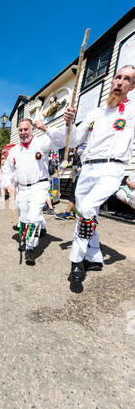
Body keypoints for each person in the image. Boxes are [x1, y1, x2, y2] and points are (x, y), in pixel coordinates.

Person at [64, 65, 135, 293]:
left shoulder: (132, 111)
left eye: (127, 79)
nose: (120, 82)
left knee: (86, 207)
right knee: (87, 213)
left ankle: (76, 261)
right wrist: (69, 122)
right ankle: (94, 257)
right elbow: (75, 139)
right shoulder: (95, 113)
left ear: (132, 87)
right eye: (118, 77)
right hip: (87, 170)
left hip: (111, 169)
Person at [1, 117, 68, 265]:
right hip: (22, 188)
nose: (23, 132)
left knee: (34, 216)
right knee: (24, 218)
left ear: (32, 130)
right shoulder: (14, 151)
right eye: (20, 130)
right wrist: (7, 184)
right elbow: (7, 171)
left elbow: (60, 142)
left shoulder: (42, 142)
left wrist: (45, 128)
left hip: (39, 186)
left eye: (26, 129)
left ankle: (30, 248)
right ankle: (25, 239)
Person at [55, 144, 86, 220]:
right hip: (82, 174)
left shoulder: (82, 146)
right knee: (78, 194)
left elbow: (83, 162)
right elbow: (78, 157)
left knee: (74, 194)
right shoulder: (82, 145)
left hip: (82, 174)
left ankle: (67, 214)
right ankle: (76, 213)